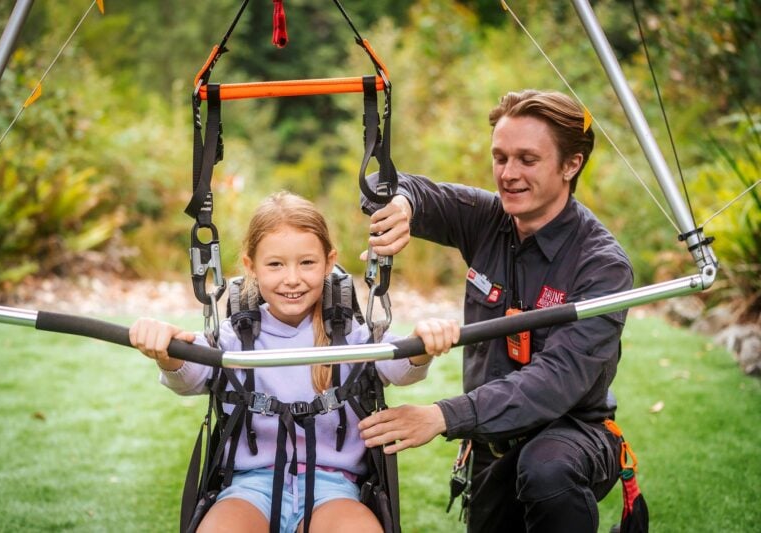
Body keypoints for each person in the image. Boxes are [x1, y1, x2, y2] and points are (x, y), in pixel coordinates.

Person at [357, 90, 634, 532]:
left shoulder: (602, 266)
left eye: (527, 159)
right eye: (500, 157)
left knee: (547, 469)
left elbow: (555, 382)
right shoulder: (488, 219)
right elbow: (392, 185)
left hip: (571, 435)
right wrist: (403, 204)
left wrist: (442, 415)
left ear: (571, 165)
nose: (508, 174)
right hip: (490, 443)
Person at [129, 191, 460, 533]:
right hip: (248, 487)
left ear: (329, 263)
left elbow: (399, 366)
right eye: (275, 264)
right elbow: (189, 376)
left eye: (307, 263)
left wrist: (425, 345)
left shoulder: (349, 334)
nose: (292, 279)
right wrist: (165, 353)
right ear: (250, 267)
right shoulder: (234, 336)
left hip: (333, 488)